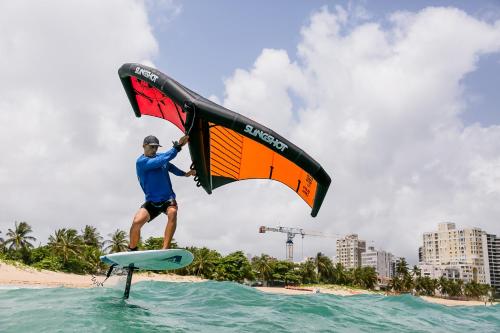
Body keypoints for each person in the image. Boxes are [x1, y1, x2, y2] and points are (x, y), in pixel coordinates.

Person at [128, 134, 196, 251]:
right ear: (144, 146)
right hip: (151, 201)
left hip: (167, 199)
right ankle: (132, 249)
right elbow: (162, 160)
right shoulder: (141, 162)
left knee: (172, 213)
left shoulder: (161, 158)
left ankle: (165, 248)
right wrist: (178, 146)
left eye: (156, 147)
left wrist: (185, 173)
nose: (154, 150)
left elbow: (171, 167)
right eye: (152, 147)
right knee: (136, 223)